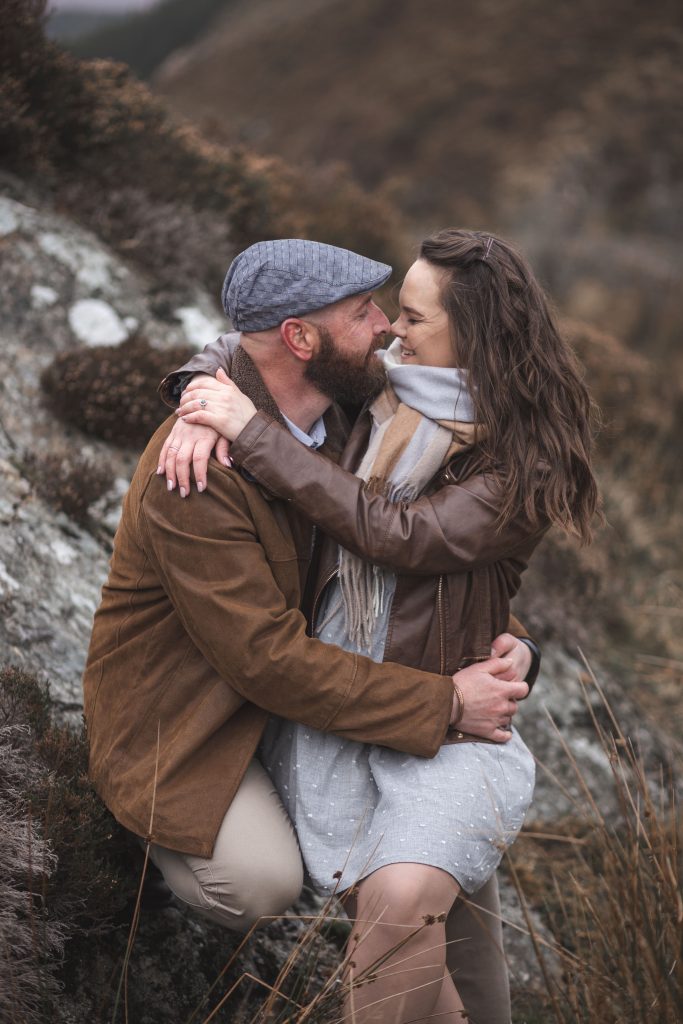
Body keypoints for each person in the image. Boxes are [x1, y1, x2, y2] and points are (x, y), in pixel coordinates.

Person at [83, 239, 535, 1023]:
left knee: (439, 841)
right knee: (261, 881)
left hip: (312, 684)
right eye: (363, 313)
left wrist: (514, 639)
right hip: (200, 713)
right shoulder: (195, 473)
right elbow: (266, 662)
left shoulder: (357, 406)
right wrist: (444, 706)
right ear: (301, 339)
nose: (387, 329)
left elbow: (421, 553)